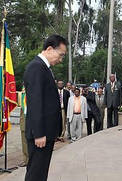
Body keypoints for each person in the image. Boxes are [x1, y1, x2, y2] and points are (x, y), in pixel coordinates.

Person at [23, 34, 67, 181]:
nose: (60, 60)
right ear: (49, 49)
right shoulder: (37, 67)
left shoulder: (44, 68)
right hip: (40, 135)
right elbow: (35, 102)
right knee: (36, 174)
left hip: (45, 133)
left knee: (40, 173)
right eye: (60, 55)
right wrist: (39, 133)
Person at [18, 86, 28, 167]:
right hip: (24, 121)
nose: (23, 90)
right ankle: (25, 160)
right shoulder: (22, 96)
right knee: (24, 142)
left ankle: (31, 159)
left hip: (32, 121)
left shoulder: (33, 95)